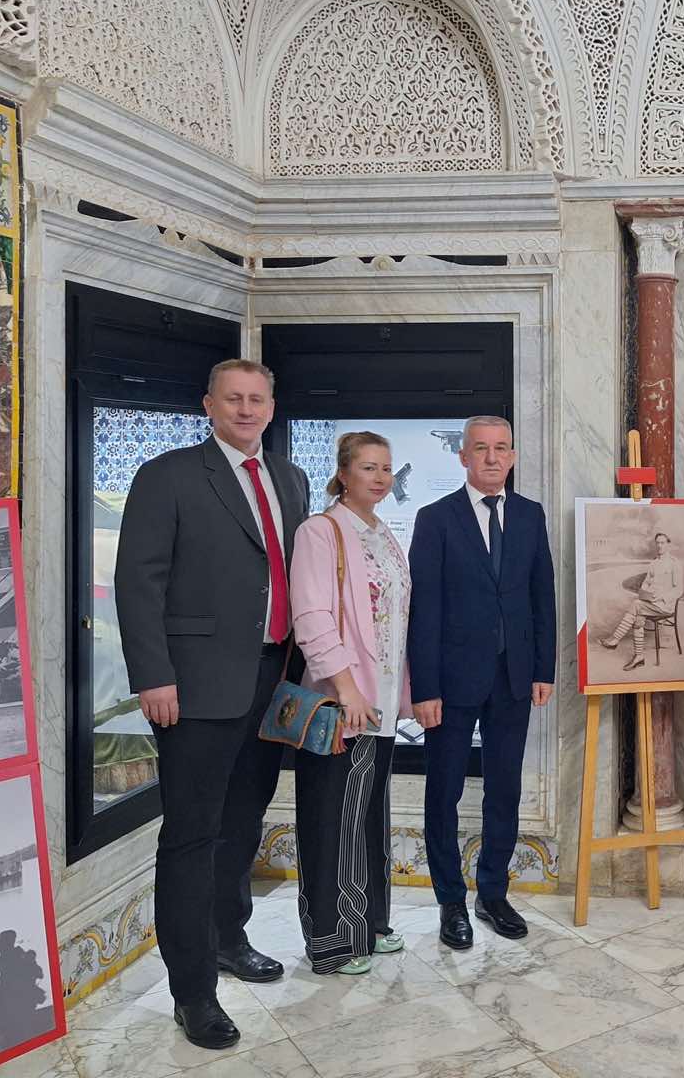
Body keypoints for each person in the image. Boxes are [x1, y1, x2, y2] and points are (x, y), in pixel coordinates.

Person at [114, 358, 308, 1050]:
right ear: (209, 405)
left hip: (272, 678)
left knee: (243, 822)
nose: (246, 409)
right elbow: (137, 581)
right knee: (191, 837)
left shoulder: (290, 477)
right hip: (193, 686)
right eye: (233, 399)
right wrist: (153, 676)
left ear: (272, 407)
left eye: (257, 399)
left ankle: (229, 937)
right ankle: (192, 993)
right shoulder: (166, 475)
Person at [406, 415, 556, 951]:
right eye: (481, 448)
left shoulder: (531, 515)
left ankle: (493, 893)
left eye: (501, 448)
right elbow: (423, 609)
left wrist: (543, 669)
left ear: (512, 456)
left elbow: (542, 595)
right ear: (463, 456)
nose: (492, 458)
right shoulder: (435, 518)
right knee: (443, 790)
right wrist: (424, 687)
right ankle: (450, 900)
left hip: (514, 676)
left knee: (505, 788)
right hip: (450, 680)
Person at [290, 432, 412, 975]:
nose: (381, 478)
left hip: (379, 703)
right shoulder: (320, 531)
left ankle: (371, 924)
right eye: (368, 468)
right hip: (343, 702)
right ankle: (331, 941)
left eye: (386, 468)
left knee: (367, 816)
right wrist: (346, 687)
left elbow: (396, 622)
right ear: (343, 474)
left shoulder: (383, 533)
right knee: (331, 820)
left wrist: (398, 693)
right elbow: (312, 616)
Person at [598, 532, 684, 671]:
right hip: (651, 603)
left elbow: (679, 589)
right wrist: (644, 593)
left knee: (636, 605)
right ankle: (639, 657)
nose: (660, 546)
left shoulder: (674, 564)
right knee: (638, 614)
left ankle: (615, 640)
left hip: (664, 605)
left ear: (668, 544)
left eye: (663, 543)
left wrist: (662, 597)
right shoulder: (654, 563)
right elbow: (646, 582)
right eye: (657, 543)